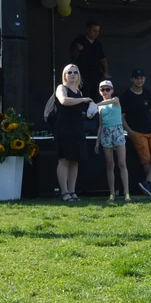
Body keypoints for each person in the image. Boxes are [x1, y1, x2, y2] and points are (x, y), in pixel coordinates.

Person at [121, 68, 151, 196]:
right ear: (132, 79)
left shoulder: (147, 93)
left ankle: (148, 182)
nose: (139, 80)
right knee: (146, 160)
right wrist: (130, 132)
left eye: (141, 78)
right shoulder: (126, 96)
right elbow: (122, 116)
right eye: (137, 78)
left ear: (145, 79)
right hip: (137, 133)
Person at [53, 63, 90, 202]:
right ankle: (64, 192)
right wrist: (83, 99)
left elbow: (78, 112)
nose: (72, 74)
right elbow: (64, 101)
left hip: (77, 128)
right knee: (64, 160)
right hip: (64, 128)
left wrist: (88, 114)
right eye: (69, 72)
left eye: (75, 72)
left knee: (75, 160)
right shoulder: (61, 88)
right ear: (65, 75)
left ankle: (72, 191)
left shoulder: (79, 92)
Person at [94, 79, 131, 202]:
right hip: (106, 133)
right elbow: (101, 125)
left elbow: (111, 101)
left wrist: (96, 104)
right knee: (110, 164)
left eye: (107, 89)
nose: (105, 92)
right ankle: (112, 194)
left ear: (112, 90)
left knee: (122, 163)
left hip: (118, 131)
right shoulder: (100, 108)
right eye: (102, 89)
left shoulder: (116, 100)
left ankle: (126, 193)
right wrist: (97, 142)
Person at [69, 20, 109, 101]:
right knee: (83, 96)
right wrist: (78, 50)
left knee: (95, 97)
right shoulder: (79, 41)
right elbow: (73, 56)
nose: (96, 33)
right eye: (94, 31)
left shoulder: (98, 43)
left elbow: (103, 58)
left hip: (95, 76)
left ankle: (94, 113)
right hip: (82, 76)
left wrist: (105, 71)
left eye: (98, 31)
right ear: (87, 30)